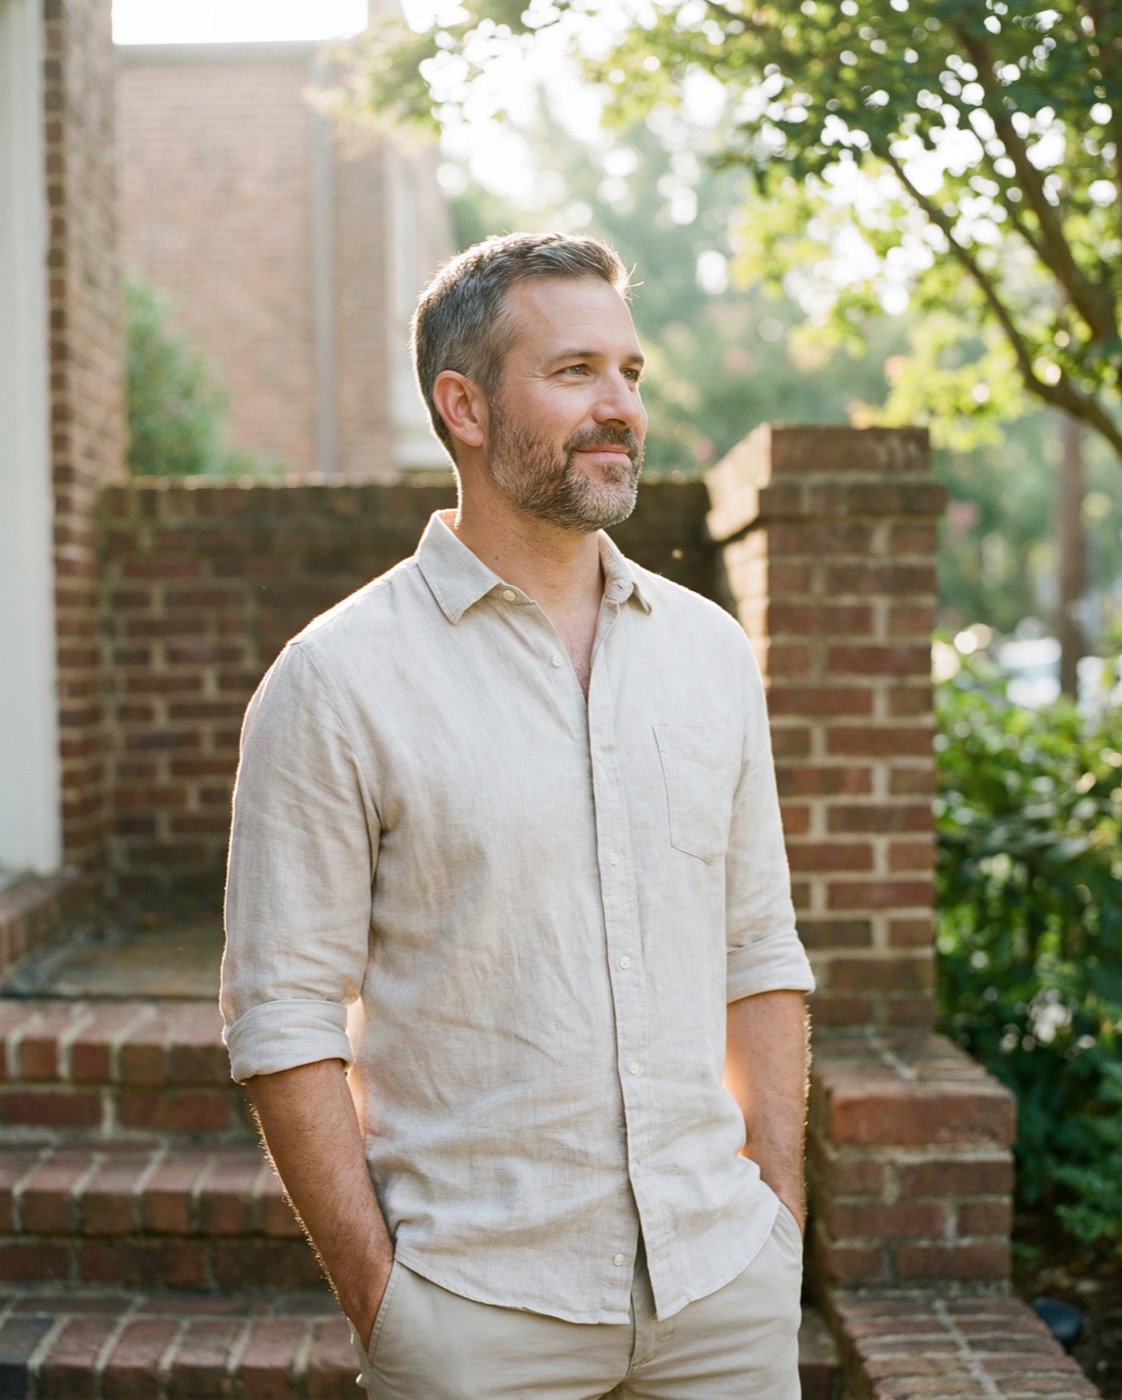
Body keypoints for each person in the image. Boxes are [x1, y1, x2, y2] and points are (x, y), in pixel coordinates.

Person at [221, 231, 815, 1399]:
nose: (618, 407)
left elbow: (758, 949)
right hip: (475, 1317)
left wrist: (776, 1213)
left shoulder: (706, 652)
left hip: (721, 1294)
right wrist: (386, 1302)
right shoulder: (336, 678)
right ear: (465, 407)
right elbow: (282, 1014)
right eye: (574, 371)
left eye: (630, 374)